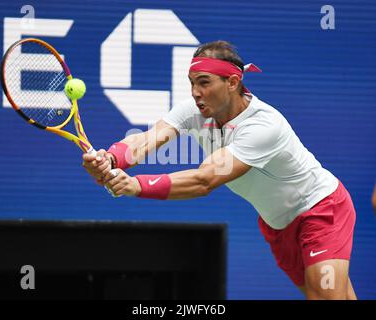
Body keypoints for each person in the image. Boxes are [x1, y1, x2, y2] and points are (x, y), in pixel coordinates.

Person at [82, 41, 357, 300]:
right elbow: (145, 141)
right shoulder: (194, 111)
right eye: (192, 83)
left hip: (322, 210)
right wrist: (112, 159)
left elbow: (205, 180)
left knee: (325, 296)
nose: (195, 92)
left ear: (233, 82)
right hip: (278, 225)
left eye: (204, 83)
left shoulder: (264, 126)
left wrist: (136, 185)